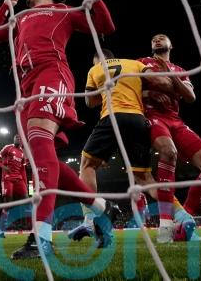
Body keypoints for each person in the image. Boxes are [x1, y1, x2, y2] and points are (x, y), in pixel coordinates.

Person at [0, 0, 118, 259]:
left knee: (39, 143)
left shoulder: (62, 11)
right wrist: (5, 6)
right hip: (25, 86)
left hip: (51, 73)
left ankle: (41, 237)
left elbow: (105, 27)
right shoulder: (22, 17)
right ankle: (102, 208)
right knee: (43, 159)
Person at [69, 49, 166, 245]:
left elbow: (89, 101)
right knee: (146, 179)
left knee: (87, 165)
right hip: (137, 119)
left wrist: (106, 89)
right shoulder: (135, 64)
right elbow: (158, 81)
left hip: (112, 117)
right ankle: (178, 216)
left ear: (98, 58)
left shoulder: (95, 69)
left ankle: (89, 219)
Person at [138, 34, 201, 241]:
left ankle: (184, 222)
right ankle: (165, 226)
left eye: (162, 38)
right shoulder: (142, 62)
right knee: (168, 152)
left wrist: (170, 77)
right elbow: (138, 85)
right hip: (152, 116)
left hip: (175, 120)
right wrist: (149, 94)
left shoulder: (179, 70)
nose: (157, 40)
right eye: (154, 39)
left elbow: (190, 96)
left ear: (171, 45)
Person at [0, 134, 28, 238]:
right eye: (16, 137)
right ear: (14, 139)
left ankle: (30, 224)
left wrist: (25, 184)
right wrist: (4, 167)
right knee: (8, 203)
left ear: (22, 142)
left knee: (27, 199)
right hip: (7, 178)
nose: (18, 139)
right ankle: (1, 229)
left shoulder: (22, 153)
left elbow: (23, 170)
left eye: (20, 138)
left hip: (19, 179)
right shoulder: (8, 147)